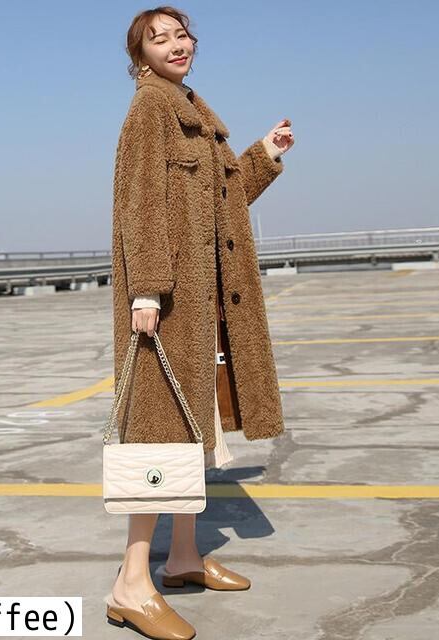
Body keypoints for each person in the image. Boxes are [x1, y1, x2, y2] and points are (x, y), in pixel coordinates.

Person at [107, 6, 295, 639]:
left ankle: (184, 558)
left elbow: (223, 200)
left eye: (181, 34)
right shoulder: (150, 109)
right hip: (168, 303)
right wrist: (147, 289)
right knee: (158, 437)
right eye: (158, 38)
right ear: (140, 56)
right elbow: (140, 203)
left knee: (196, 432)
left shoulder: (191, 108)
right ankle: (131, 584)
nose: (175, 44)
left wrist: (263, 155)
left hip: (202, 301)